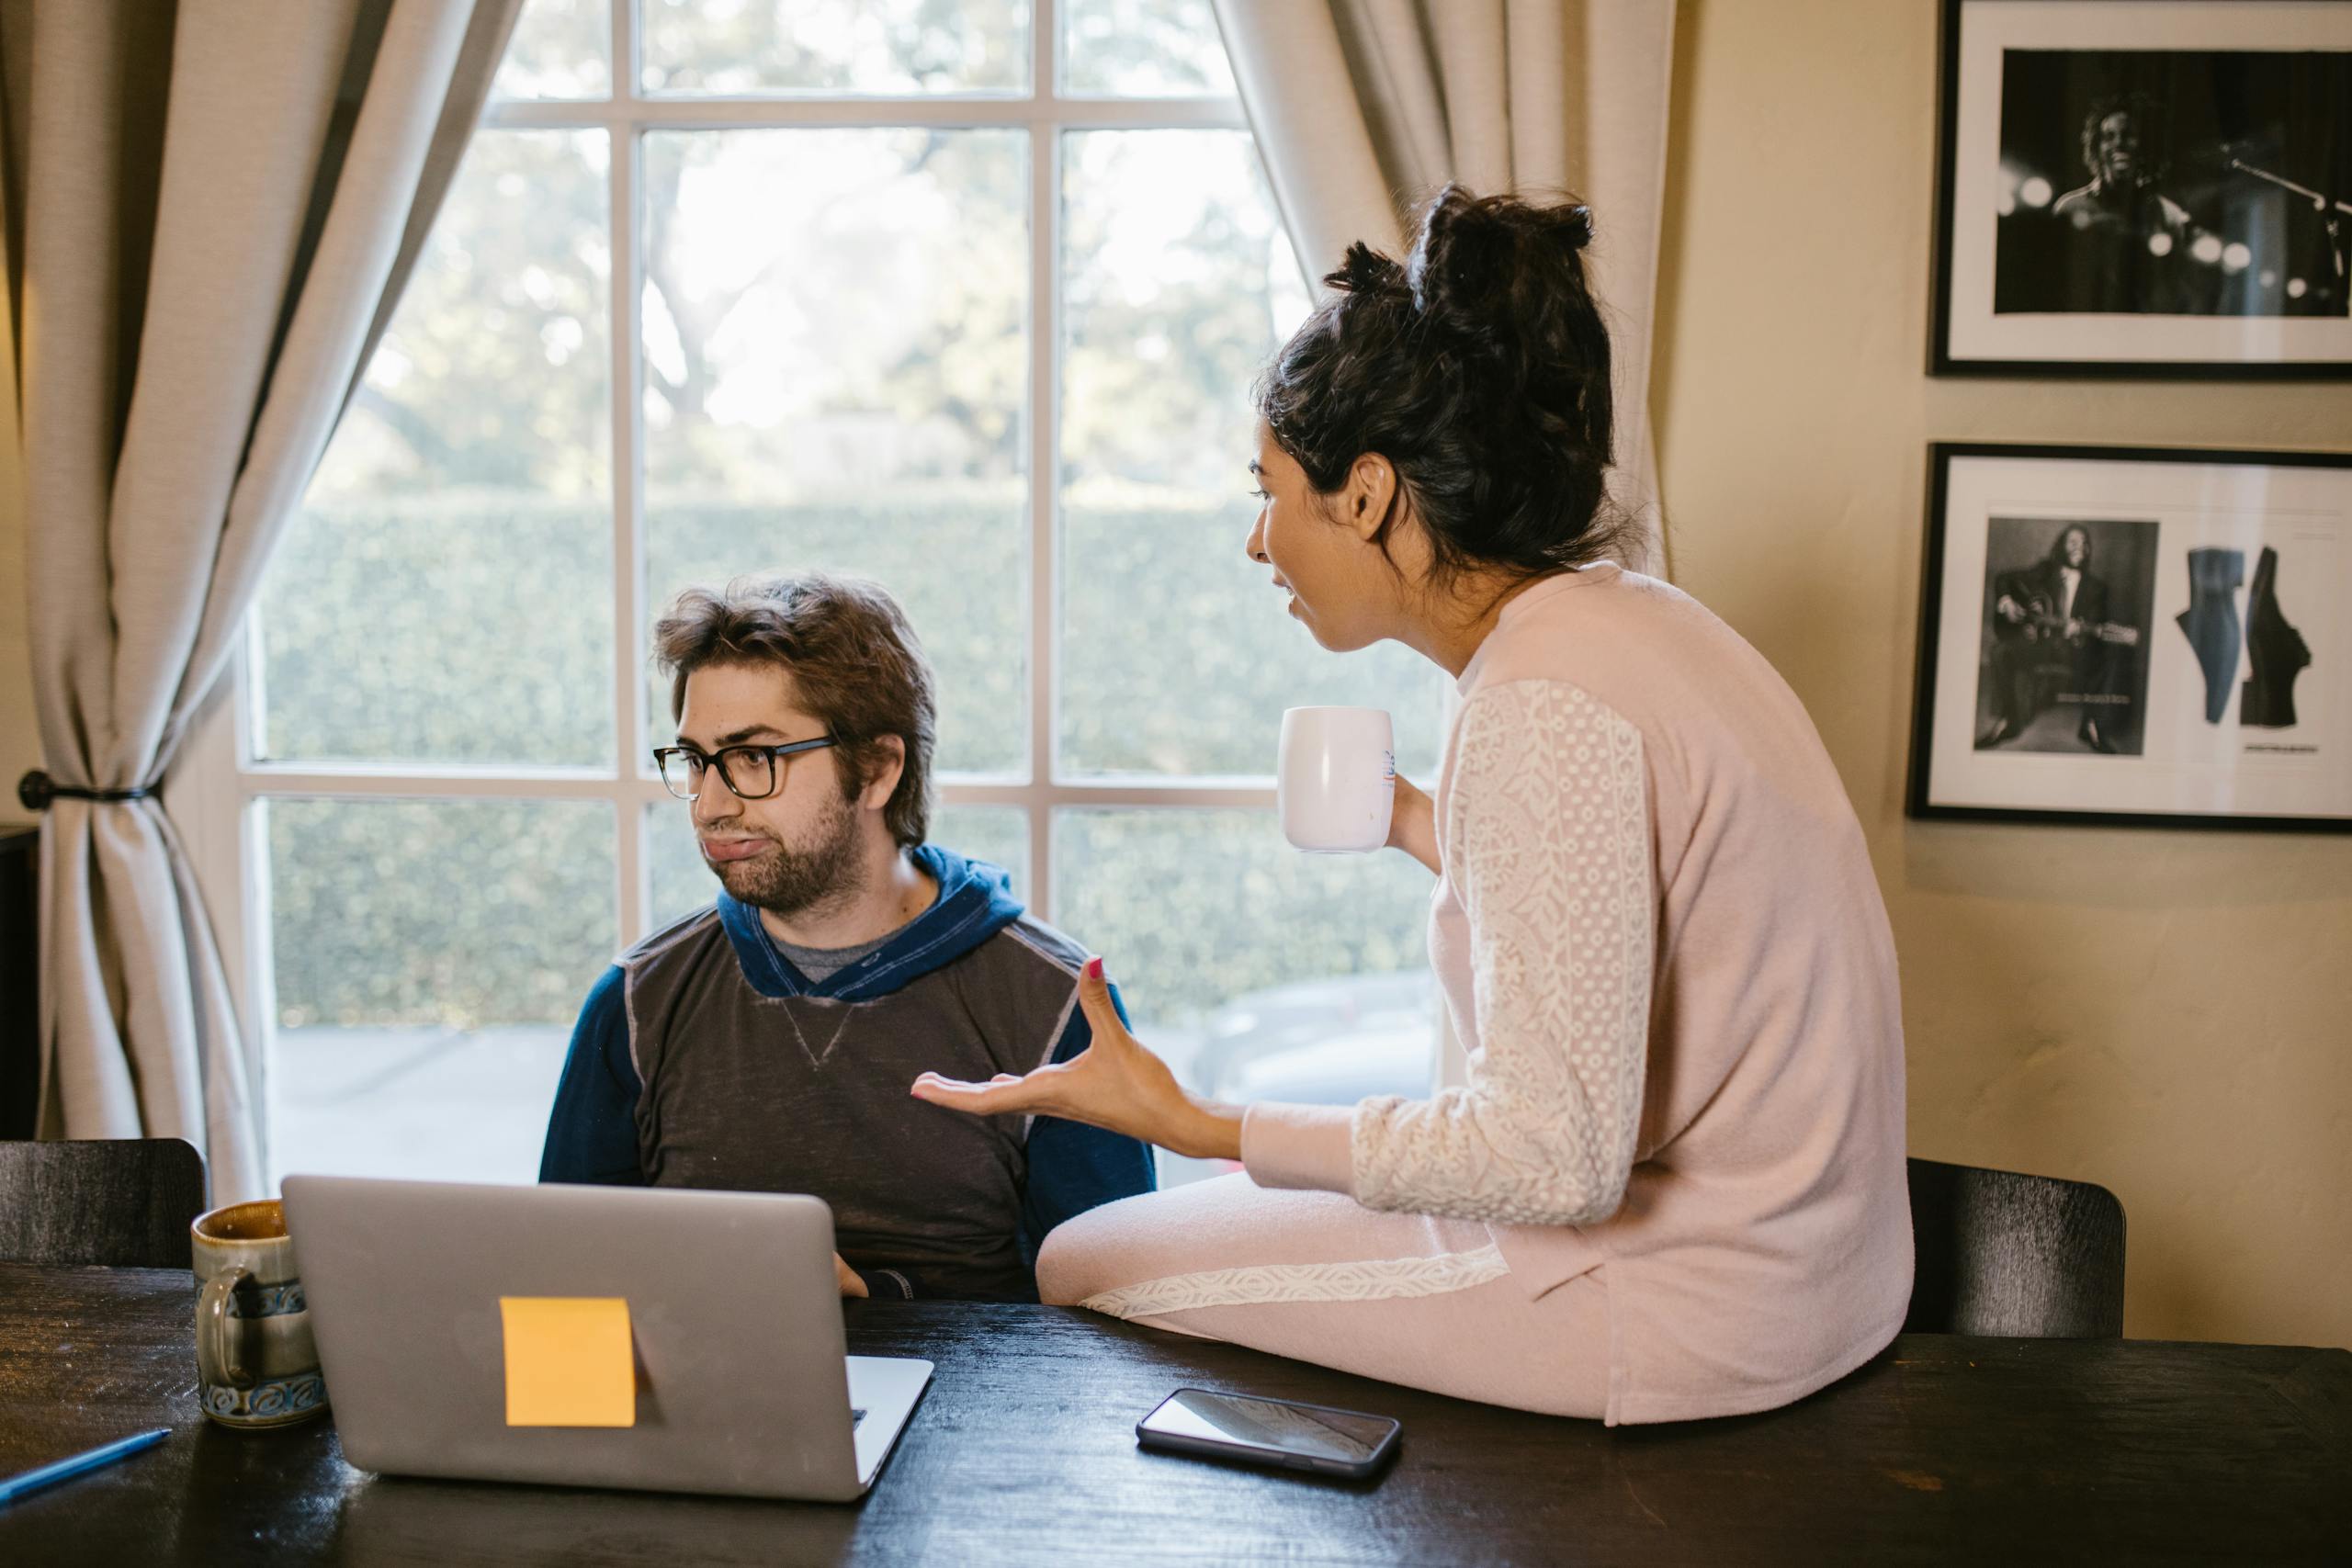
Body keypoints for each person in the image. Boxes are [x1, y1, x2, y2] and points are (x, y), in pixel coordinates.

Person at [912, 187, 1913, 1426]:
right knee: (1157, 1229)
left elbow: (1555, 1157)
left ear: (1371, 491)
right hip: (1811, 1270)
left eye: (1268, 489)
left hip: (1696, 1300)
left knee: (1078, 1259)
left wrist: (1200, 1117)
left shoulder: (1543, 702)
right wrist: (1417, 819)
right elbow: (1635, 901)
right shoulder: (1632, 623)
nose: (1256, 540)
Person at [539, 572, 1155, 1301]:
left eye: (752, 757)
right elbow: (565, 1296)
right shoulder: (637, 1003)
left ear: (878, 768)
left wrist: (878, 1315)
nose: (709, 805)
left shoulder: (1055, 1005)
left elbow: (1118, 1333)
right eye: (697, 760)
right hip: (714, 1407)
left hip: (967, 1413)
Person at [1976, 524, 2125, 753]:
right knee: (2000, 651)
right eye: (2073, 542)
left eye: (2085, 543)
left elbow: (2095, 626)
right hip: (2040, 644)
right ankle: (2009, 720)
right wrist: (2007, 603)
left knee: (2109, 656)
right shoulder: (2045, 570)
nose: (2080, 548)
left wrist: (2078, 632)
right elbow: (2004, 579)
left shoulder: (2097, 588)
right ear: (2061, 546)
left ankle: (2092, 725)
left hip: (2073, 650)